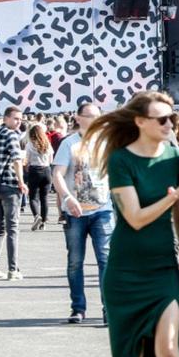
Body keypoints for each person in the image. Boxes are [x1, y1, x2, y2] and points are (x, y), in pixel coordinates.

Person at [92, 91, 179, 357]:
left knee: (169, 349)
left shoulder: (176, 159)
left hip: (163, 268)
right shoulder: (120, 160)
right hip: (125, 273)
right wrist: (173, 196)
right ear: (140, 121)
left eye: (173, 118)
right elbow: (135, 218)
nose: (170, 124)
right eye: (162, 118)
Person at [52, 102, 113, 324]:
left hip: (103, 209)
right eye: (90, 116)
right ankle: (78, 307)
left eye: (98, 116)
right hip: (75, 211)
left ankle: (109, 308)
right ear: (78, 118)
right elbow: (57, 174)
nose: (96, 120)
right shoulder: (69, 144)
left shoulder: (106, 142)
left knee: (106, 260)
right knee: (75, 261)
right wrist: (67, 198)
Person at [0, 106, 28, 280]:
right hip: (9, 184)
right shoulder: (11, 135)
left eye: (20, 119)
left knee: (0, 229)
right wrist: (22, 181)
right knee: (12, 228)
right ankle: (13, 269)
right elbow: (17, 160)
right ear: (6, 118)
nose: (18, 122)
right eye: (15, 119)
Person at [24, 123, 53, 231]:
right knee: (44, 198)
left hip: (34, 170)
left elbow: (26, 160)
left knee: (33, 197)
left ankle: (37, 216)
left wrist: (26, 167)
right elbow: (51, 160)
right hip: (46, 170)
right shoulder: (47, 144)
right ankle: (44, 222)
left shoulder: (30, 145)